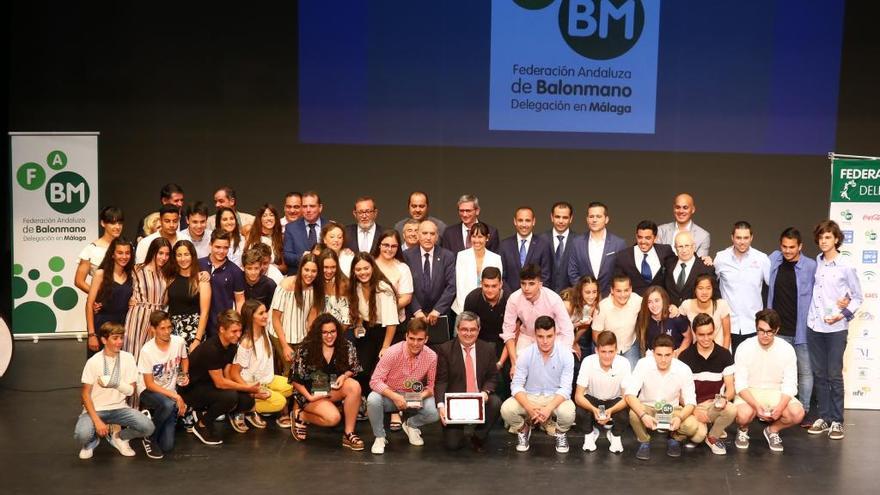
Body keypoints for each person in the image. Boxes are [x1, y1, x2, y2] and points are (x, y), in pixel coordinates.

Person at [806, 220, 863, 439]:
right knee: (819, 375)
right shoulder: (816, 263)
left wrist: (843, 312)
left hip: (837, 328)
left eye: (828, 237)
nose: (823, 241)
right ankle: (824, 416)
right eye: (821, 237)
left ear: (836, 239)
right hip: (814, 326)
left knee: (834, 375)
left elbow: (857, 297)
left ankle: (837, 421)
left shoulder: (845, 265)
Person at [74, 322, 155, 459]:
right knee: (82, 435)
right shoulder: (93, 362)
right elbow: (85, 395)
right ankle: (91, 442)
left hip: (119, 408)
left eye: (121, 338)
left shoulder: (128, 358)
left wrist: (114, 383)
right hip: (96, 409)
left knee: (148, 427)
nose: (120, 342)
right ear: (104, 340)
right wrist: (97, 421)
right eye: (115, 338)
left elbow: (130, 391)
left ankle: (119, 437)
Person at [179, 310, 259, 445]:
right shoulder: (212, 349)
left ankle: (203, 412)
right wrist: (247, 387)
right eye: (234, 331)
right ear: (222, 329)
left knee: (246, 400)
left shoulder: (232, 345)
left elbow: (227, 374)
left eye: (240, 331)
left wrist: (251, 391)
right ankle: (201, 425)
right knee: (230, 397)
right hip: (191, 389)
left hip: (208, 384)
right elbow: (220, 383)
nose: (238, 335)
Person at [500, 316, 576, 453]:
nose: (545, 341)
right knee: (506, 409)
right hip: (530, 396)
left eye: (549, 336)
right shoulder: (525, 354)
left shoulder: (566, 354)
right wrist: (529, 408)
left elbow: (566, 389)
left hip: (555, 396)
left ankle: (560, 433)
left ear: (555, 334)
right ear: (535, 335)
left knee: (568, 412)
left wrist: (548, 409)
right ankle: (523, 429)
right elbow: (516, 385)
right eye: (541, 336)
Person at [733, 309, 805, 452]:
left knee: (797, 414)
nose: (765, 335)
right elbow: (740, 384)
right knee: (743, 416)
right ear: (756, 328)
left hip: (776, 391)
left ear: (777, 330)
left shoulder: (787, 349)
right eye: (761, 330)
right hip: (750, 390)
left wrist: (780, 407)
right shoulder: (744, 347)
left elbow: (790, 383)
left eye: (769, 331)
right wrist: (756, 406)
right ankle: (743, 429)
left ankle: (772, 430)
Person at [289, 313, 365, 450]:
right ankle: (301, 415)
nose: (329, 336)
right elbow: (295, 380)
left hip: (332, 389)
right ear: (318, 333)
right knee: (333, 418)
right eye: (324, 332)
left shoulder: (346, 345)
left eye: (332, 331)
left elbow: (354, 368)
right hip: (310, 393)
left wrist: (344, 376)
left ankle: (349, 434)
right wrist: (310, 397)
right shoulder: (305, 348)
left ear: (337, 331)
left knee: (354, 386)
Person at [367, 318, 439, 455]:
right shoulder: (392, 352)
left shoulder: (431, 356)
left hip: (413, 395)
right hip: (390, 394)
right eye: (412, 338)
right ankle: (380, 437)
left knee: (434, 411)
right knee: (373, 399)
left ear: (426, 339)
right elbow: (374, 381)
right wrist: (394, 397)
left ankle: (411, 425)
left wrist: (418, 396)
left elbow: (431, 386)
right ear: (406, 336)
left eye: (420, 339)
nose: (415, 343)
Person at [624, 334, 700, 460]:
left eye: (667, 355)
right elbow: (629, 395)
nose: (663, 359)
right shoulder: (643, 364)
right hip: (647, 406)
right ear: (653, 353)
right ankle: (644, 441)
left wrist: (680, 418)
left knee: (692, 426)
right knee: (634, 413)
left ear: (674, 353)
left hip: (672, 409)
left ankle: (674, 438)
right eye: (659, 355)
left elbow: (691, 402)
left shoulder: (683, 369)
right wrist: (643, 415)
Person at [767, 227, 816, 423]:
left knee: (805, 372)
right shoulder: (774, 260)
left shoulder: (811, 266)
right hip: (778, 331)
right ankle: (776, 410)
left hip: (802, 330)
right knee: (777, 373)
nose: (787, 251)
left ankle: (803, 411)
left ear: (800, 246)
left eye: (792, 247)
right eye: (784, 247)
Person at [435, 311, 501, 452]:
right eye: (464, 329)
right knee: (453, 445)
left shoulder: (488, 349)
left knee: (495, 402)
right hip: (456, 403)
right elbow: (441, 380)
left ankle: (478, 436)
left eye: (473, 329)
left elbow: (493, 377)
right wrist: (441, 405)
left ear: (479, 330)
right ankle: (459, 433)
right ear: (457, 329)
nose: (468, 333)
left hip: (479, 399)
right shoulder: (445, 350)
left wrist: (485, 391)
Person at [228, 300, 293, 431]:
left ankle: (253, 408)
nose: (265, 315)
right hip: (251, 384)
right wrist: (252, 391)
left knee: (291, 387)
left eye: (265, 311)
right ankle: (242, 408)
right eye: (261, 313)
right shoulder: (246, 342)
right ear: (251, 316)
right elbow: (234, 373)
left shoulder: (265, 330)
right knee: (280, 402)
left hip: (266, 380)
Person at [677, 313, 736, 455]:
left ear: (714, 331)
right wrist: (694, 409)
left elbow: (731, 390)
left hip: (713, 405)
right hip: (692, 404)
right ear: (695, 333)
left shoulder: (724, 355)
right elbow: (679, 393)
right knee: (697, 437)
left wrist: (720, 401)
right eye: (701, 335)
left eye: (710, 334)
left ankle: (713, 436)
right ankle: (701, 429)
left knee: (732, 409)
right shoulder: (685, 356)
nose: (706, 338)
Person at [348, 253, 399, 415]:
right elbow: (358, 314)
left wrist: (385, 348)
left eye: (366, 268)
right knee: (360, 369)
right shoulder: (354, 287)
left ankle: (389, 409)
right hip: (366, 331)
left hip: (385, 333)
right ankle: (365, 401)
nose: (363, 272)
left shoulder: (383, 288)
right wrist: (357, 325)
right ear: (354, 272)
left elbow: (391, 322)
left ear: (372, 268)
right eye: (358, 269)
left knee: (380, 372)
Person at [137, 311, 189, 459]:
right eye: (162, 328)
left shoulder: (178, 342)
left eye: (169, 327)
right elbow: (149, 384)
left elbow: (185, 359)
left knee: (167, 446)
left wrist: (184, 374)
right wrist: (176, 396)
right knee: (167, 404)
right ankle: (149, 435)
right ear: (153, 329)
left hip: (169, 391)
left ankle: (150, 419)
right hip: (148, 390)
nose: (167, 332)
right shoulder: (147, 350)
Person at [714, 221, 771, 351]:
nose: (742, 242)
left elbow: (772, 288)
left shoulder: (762, 259)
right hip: (728, 325)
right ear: (732, 238)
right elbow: (710, 283)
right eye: (738, 237)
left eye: (746, 238)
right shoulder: (721, 258)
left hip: (754, 325)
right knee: (729, 367)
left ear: (751, 238)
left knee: (752, 368)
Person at [502, 264, 575, 362]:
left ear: (540, 284)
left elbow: (567, 330)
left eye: (531, 283)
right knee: (520, 368)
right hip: (527, 337)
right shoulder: (514, 299)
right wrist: (514, 362)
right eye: (523, 283)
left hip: (552, 338)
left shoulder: (553, 299)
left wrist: (563, 357)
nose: (526, 288)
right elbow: (508, 332)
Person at [573, 330, 630, 453]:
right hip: (593, 399)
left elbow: (627, 398)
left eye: (611, 351)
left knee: (625, 413)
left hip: (614, 401)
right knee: (580, 411)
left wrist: (610, 411)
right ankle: (589, 433)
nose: (607, 356)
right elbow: (578, 396)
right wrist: (594, 410)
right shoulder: (588, 361)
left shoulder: (624, 363)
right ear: (596, 350)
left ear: (616, 350)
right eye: (603, 351)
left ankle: (615, 435)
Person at [123, 237, 172, 374]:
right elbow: (119, 286)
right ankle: (130, 393)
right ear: (153, 252)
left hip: (157, 318)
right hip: (138, 316)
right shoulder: (136, 270)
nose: (164, 257)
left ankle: (149, 393)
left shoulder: (166, 274)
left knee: (152, 359)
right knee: (133, 355)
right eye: (160, 253)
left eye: (167, 254)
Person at [270, 252, 319, 377]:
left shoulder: (316, 288)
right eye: (306, 270)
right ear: (300, 268)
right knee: (290, 370)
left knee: (304, 370)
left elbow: (311, 318)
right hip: (281, 334)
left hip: (301, 336)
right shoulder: (285, 285)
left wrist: (310, 340)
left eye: (313, 271)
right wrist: (285, 346)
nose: (309, 274)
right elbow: (275, 319)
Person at [85, 237, 134, 358]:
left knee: (120, 370)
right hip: (102, 328)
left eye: (127, 253)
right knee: (100, 371)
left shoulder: (132, 275)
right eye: (120, 253)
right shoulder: (100, 274)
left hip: (123, 329)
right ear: (112, 254)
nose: (124, 256)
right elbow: (89, 305)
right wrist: (92, 335)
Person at [567, 201, 628, 296]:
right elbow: (572, 272)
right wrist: (585, 292)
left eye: (598, 216)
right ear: (587, 219)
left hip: (610, 299)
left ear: (606, 219)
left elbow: (622, 275)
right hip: (583, 299)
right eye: (591, 217)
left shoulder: (619, 244)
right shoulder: (576, 243)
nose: (594, 220)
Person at [403, 220, 456, 326]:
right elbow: (405, 287)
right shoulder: (406, 256)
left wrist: (437, 310)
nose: (428, 237)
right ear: (418, 235)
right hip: (414, 315)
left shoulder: (447, 256)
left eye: (432, 234)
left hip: (439, 315)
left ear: (437, 237)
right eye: (424, 233)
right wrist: (417, 311)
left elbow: (451, 286)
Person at [199, 230, 245, 338]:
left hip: (222, 327)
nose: (221, 251)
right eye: (218, 247)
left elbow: (240, 300)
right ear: (210, 245)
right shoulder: (198, 264)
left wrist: (239, 326)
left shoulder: (236, 271)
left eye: (225, 248)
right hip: (198, 324)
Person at [591, 275, 643, 369]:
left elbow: (653, 303)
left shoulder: (636, 300)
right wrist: (609, 352)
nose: (623, 295)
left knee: (632, 379)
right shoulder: (602, 307)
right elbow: (596, 335)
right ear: (612, 290)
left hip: (629, 346)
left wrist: (672, 308)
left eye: (626, 290)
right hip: (608, 348)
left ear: (631, 289)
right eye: (618, 291)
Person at [168, 240, 211, 350]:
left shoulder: (201, 280)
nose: (183, 259)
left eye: (186, 254)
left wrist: (197, 340)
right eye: (179, 255)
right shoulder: (170, 278)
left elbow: (205, 313)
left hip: (194, 332)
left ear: (192, 256)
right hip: (172, 332)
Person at [452, 222, 503, 315]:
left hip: (488, 308)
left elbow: (497, 286)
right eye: (474, 236)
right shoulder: (462, 256)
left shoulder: (495, 258)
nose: (476, 240)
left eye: (480, 237)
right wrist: (465, 311)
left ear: (487, 238)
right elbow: (460, 286)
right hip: (463, 307)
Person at [615, 220, 674, 296]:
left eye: (648, 238)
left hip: (660, 303)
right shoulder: (623, 256)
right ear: (636, 236)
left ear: (655, 238)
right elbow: (618, 283)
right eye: (640, 237)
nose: (643, 241)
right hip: (634, 304)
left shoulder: (665, 251)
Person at [499, 206, 552, 290]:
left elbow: (545, 276)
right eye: (520, 220)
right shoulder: (504, 245)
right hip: (510, 298)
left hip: (536, 298)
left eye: (527, 220)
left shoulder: (543, 245)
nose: (524, 224)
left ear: (533, 221)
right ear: (515, 221)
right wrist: (511, 296)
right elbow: (502, 276)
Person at [75, 206, 124, 295]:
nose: (117, 227)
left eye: (120, 223)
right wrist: (97, 296)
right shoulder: (91, 249)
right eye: (113, 223)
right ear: (103, 223)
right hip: (104, 303)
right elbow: (79, 281)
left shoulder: (126, 248)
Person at [663, 231, 717, 306]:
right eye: (680, 246)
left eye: (687, 245)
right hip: (671, 315)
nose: (684, 250)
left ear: (694, 246)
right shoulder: (668, 264)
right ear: (675, 248)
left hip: (696, 315)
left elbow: (715, 296)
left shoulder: (706, 267)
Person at [678, 274, 732, 349]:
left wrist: (724, 355)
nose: (704, 292)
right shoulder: (687, 305)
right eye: (700, 288)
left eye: (708, 288)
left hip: (720, 351)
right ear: (695, 289)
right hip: (697, 353)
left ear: (713, 289)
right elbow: (676, 316)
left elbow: (727, 335)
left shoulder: (721, 305)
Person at [636, 286, 692, 357]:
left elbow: (688, 336)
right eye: (649, 302)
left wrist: (679, 352)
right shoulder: (644, 319)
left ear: (663, 300)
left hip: (673, 356)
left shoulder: (674, 316)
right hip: (652, 357)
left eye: (657, 300)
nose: (654, 305)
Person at [371, 229, 414, 323]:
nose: (389, 249)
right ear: (379, 245)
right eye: (386, 245)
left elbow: (406, 298)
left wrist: (387, 311)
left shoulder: (403, 268)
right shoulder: (368, 265)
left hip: (395, 321)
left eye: (394, 246)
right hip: (370, 320)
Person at [282, 190, 327, 271]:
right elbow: (287, 255)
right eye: (305, 206)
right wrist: (302, 257)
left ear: (320, 208)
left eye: (312, 206)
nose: (308, 210)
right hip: (298, 277)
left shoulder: (329, 226)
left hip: (324, 276)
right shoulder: (291, 228)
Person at [657, 193, 711, 258]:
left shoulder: (703, 236)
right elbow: (656, 259)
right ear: (674, 208)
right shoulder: (660, 231)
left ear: (693, 209)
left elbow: (699, 265)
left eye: (685, 208)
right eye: (678, 207)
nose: (681, 211)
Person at [539, 201, 576, 293]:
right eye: (557, 217)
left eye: (565, 217)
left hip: (570, 298)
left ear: (571, 219)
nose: (561, 221)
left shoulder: (578, 241)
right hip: (543, 297)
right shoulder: (540, 240)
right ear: (551, 217)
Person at [561, 275, 600, 360]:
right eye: (587, 292)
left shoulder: (591, 305)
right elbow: (560, 329)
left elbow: (583, 327)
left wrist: (574, 343)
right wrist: (570, 345)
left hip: (571, 336)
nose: (592, 296)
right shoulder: (567, 305)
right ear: (580, 291)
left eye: (594, 292)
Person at [314, 248, 351, 327]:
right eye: (326, 267)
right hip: (317, 331)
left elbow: (346, 320)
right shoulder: (314, 283)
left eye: (333, 267)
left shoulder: (344, 284)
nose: (329, 271)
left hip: (341, 332)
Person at [244, 203, 286, 273]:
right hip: (252, 274)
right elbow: (244, 259)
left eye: (271, 215)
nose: (269, 218)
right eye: (264, 216)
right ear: (260, 219)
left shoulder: (281, 237)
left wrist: (271, 267)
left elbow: (284, 268)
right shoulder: (251, 234)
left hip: (273, 275)